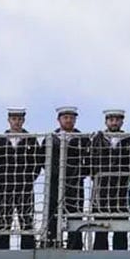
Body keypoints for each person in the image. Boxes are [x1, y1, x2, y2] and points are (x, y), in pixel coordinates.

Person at [0, 107, 43, 250]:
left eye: (19, 119)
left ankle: (28, 250)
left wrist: (30, 178)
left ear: (23, 120)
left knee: (26, 219)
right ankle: (2, 250)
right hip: (6, 185)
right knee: (3, 219)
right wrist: (3, 176)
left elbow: (38, 161)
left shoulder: (31, 139)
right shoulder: (1, 140)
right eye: (14, 119)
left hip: (25, 185)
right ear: (9, 120)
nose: (16, 122)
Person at [88, 109, 130, 250]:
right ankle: (99, 253)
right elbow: (90, 161)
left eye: (117, 120)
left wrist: (124, 179)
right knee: (100, 225)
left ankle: (121, 254)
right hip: (101, 188)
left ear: (122, 122)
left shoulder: (128, 140)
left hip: (121, 188)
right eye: (111, 120)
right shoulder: (97, 139)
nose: (114, 123)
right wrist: (97, 177)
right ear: (106, 122)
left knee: (121, 226)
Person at [53, 106, 90, 249]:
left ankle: (75, 245)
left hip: (76, 182)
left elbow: (89, 159)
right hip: (55, 182)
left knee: (75, 213)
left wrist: (80, 173)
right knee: (53, 213)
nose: (69, 120)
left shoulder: (83, 139)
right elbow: (42, 160)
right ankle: (52, 242)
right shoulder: (52, 138)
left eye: (71, 118)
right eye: (65, 118)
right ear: (59, 120)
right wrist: (56, 173)